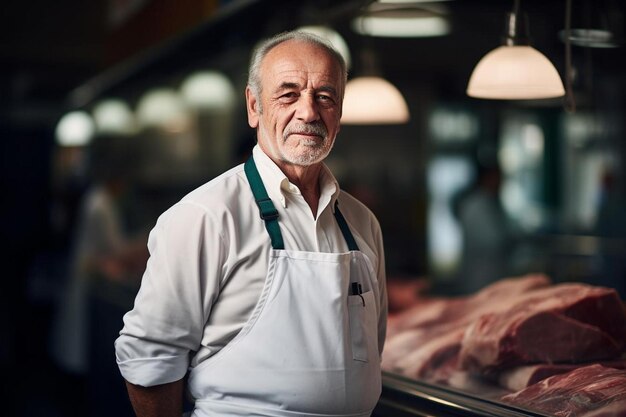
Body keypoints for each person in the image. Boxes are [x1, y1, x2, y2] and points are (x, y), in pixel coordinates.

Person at [115, 31, 388, 417]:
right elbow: (150, 360)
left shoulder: (362, 222)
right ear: (254, 106)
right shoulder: (206, 215)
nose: (309, 112)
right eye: (288, 94)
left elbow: (374, 345)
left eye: (325, 96)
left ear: (339, 114)